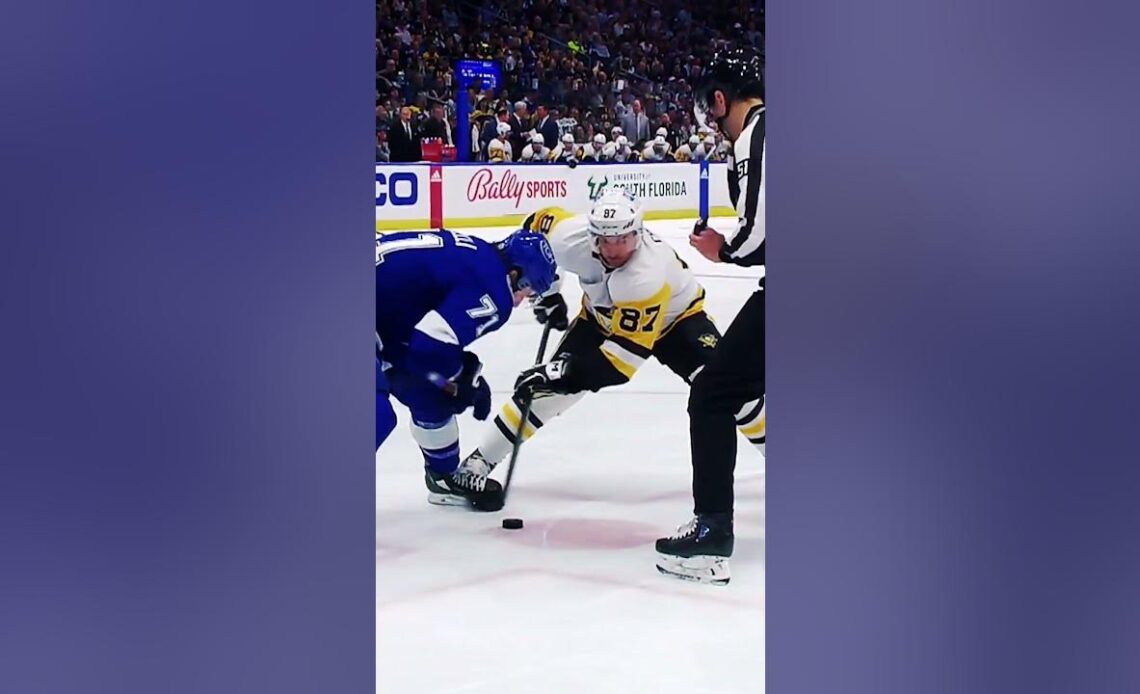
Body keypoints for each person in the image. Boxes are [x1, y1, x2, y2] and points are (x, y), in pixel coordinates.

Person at [454, 190, 760, 509]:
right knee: (545, 393)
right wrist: (547, 290)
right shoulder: (567, 237)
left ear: (638, 233)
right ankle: (480, 462)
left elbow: (618, 365)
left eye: (623, 239)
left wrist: (561, 371)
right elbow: (532, 230)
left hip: (678, 320)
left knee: (731, 390)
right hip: (601, 316)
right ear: (591, 235)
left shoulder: (645, 276)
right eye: (604, 239)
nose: (613, 249)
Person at [655, 46, 766, 586]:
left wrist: (722, 249)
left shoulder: (758, 134)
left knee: (714, 392)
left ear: (720, 100)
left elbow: (760, 234)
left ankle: (711, 535)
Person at [376, 228, 558, 511]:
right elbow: (430, 345)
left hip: (376, 317)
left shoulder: (479, 252)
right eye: (527, 289)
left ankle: (443, 477)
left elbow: (420, 351)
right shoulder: (496, 289)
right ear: (515, 274)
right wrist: (462, 376)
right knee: (375, 415)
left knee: (429, 390)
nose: (522, 299)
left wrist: (456, 378)